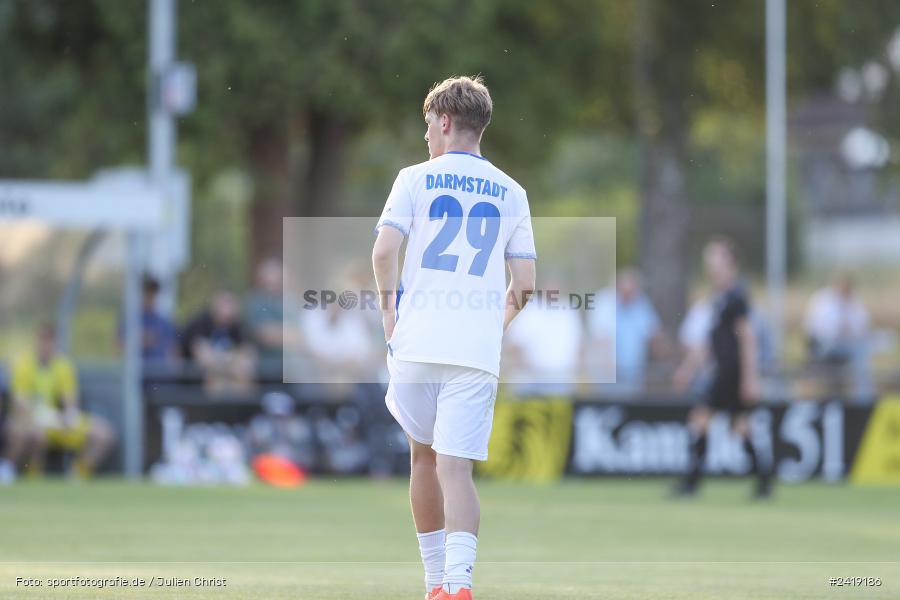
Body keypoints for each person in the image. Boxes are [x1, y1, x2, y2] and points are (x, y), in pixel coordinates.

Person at [372, 75, 536, 600]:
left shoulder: (414, 178)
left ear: (444, 121)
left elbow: (382, 252)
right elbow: (525, 285)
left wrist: (388, 318)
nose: (426, 136)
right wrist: (493, 324)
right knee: (457, 469)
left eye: (428, 125)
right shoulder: (513, 191)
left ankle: (433, 584)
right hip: (475, 350)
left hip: (418, 342)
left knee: (422, 459)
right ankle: (460, 585)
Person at [671, 238, 772, 499]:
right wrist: (688, 368)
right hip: (723, 372)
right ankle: (763, 481)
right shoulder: (718, 297)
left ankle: (691, 483)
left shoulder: (736, 296)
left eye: (715, 258)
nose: (710, 264)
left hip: (732, 373)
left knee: (700, 420)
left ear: (729, 262)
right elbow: (709, 341)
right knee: (739, 426)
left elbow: (748, 338)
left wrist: (750, 378)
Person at [3, 324, 116, 479]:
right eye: (43, 341)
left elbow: (70, 399)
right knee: (37, 434)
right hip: (30, 420)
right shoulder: (24, 364)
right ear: (36, 342)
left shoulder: (63, 365)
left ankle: (78, 475)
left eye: (51, 341)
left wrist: (69, 415)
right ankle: (26, 475)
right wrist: (40, 415)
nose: (46, 346)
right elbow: (20, 401)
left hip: (56, 421)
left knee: (103, 433)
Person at [588, 268, 666, 391]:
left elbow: (653, 333)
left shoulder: (641, 304)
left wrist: (664, 362)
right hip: (608, 375)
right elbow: (600, 338)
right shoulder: (604, 302)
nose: (629, 295)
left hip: (634, 375)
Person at [803, 272, 873, 401]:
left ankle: (863, 398)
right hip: (823, 345)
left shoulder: (855, 302)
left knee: (862, 352)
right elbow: (816, 329)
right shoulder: (822, 301)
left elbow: (862, 327)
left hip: (847, 346)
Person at [180, 291, 257, 395]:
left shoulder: (238, 325)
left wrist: (225, 362)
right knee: (213, 377)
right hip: (194, 384)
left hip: (228, 378)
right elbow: (204, 358)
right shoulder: (199, 323)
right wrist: (232, 361)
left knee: (244, 377)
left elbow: (248, 357)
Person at [245, 257, 300, 374]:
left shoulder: (292, 301)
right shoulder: (256, 301)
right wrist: (288, 333)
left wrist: (280, 332)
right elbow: (266, 336)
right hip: (265, 367)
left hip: (293, 369)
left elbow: (301, 335)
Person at [119, 275, 178, 366]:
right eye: (147, 292)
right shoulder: (131, 319)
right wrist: (139, 340)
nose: (150, 296)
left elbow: (173, 352)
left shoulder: (164, 322)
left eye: (153, 293)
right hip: (137, 375)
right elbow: (118, 347)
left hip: (160, 375)